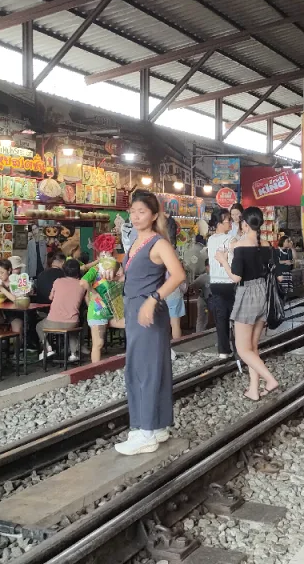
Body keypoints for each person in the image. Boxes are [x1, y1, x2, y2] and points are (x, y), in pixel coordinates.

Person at [112, 191, 185, 455]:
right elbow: (136, 274)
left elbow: (178, 275)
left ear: (154, 215)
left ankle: (145, 432)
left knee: (144, 370)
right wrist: (119, 276)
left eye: (141, 211)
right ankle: (157, 425)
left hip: (148, 312)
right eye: (133, 211)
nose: (135, 216)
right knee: (150, 367)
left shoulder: (158, 243)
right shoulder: (136, 241)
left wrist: (154, 299)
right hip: (136, 309)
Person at [216, 207, 279, 402]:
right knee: (252, 347)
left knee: (243, 349)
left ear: (244, 224)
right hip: (263, 294)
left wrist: (223, 261)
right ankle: (253, 389)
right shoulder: (266, 245)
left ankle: (270, 380)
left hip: (247, 295)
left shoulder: (241, 246)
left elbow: (236, 277)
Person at [36, 259, 86, 363]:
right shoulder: (82, 284)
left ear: (64, 270)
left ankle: (48, 348)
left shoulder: (58, 281)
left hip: (53, 322)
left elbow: (50, 297)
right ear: (78, 272)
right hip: (72, 322)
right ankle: (74, 354)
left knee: (39, 326)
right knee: (73, 330)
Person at [207, 209, 235, 358]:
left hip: (215, 282)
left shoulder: (210, 239)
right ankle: (239, 349)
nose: (230, 223)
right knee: (236, 318)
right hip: (230, 282)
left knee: (221, 318)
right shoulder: (231, 239)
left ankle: (223, 350)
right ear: (219, 223)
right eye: (228, 220)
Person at [0, 258, 24, 341]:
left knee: (16, 330)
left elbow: (17, 300)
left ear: (9, 270)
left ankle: (17, 349)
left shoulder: (15, 282)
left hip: (16, 313)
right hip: (2, 313)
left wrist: (1, 288)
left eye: (2, 272)